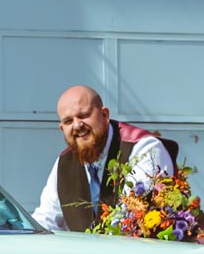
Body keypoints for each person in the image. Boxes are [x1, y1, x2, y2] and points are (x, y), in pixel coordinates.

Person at [29, 85, 176, 233]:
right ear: (62, 129)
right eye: (68, 121)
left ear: (105, 115)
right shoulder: (63, 164)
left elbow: (131, 219)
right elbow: (46, 220)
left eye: (84, 115)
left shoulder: (145, 149)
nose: (77, 125)